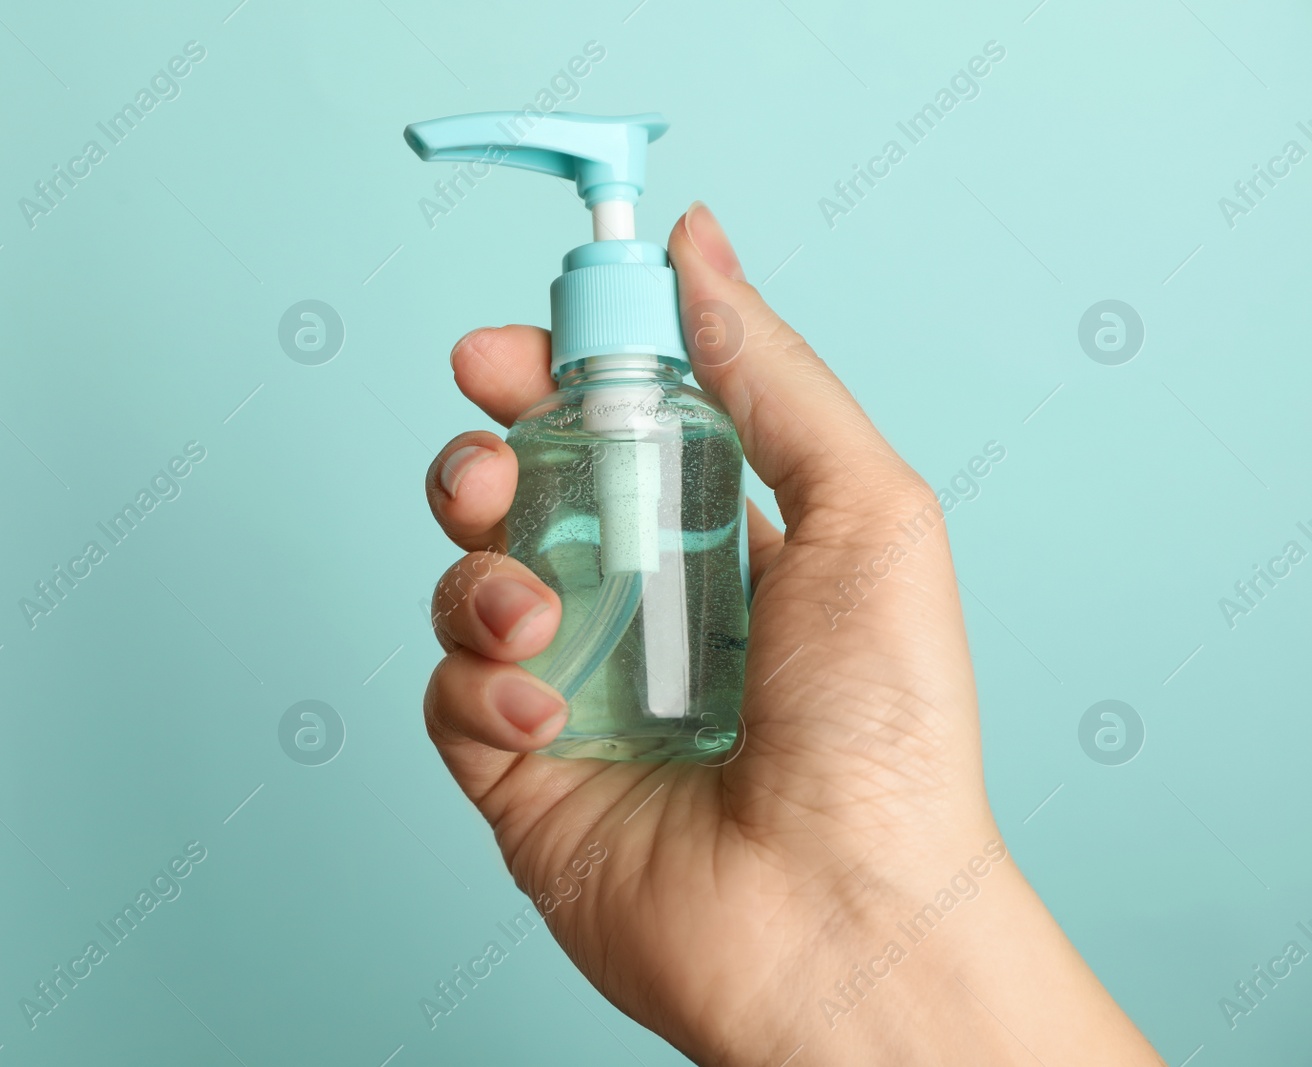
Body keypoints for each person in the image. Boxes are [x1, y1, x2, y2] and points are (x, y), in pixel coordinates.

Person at [421, 203, 1162, 1065]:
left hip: (723, 764)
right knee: (515, 578)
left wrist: (853, 913)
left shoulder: (696, 424)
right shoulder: (554, 434)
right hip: (607, 772)